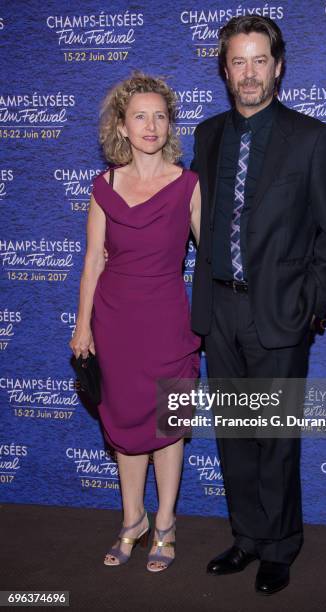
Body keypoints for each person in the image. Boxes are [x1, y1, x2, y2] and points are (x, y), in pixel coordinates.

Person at [191, 16, 326, 594]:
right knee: (235, 435)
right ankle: (247, 539)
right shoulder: (207, 135)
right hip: (220, 312)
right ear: (225, 69)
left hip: (281, 316)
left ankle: (281, 548)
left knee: (276, 440)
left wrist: (314, 307)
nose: (250, 73)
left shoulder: (313, 138)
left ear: (278, 67)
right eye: (239, 61)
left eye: (260, 60)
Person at [69, 71, 201, 572]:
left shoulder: (188, 184)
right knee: (125, 427)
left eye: (160, 116)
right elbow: (92, 263)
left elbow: (209, 257)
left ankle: (165, 523)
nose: (151, 125)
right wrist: (83, 326)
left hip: (168, 319)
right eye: (140, 116)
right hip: (116, 322)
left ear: (170, 124)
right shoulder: (104, 186)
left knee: (167, 425)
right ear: (121, 127)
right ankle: (132, 519)